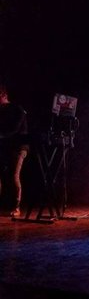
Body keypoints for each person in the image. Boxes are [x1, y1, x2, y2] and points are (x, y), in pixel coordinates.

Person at [0, 85, 29, 217]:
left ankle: (16, 207)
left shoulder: (17, 109)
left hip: (18, 147)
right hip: (5, 147)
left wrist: (2, 135)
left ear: (4, 95)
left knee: (13, 176)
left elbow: (15, 129)